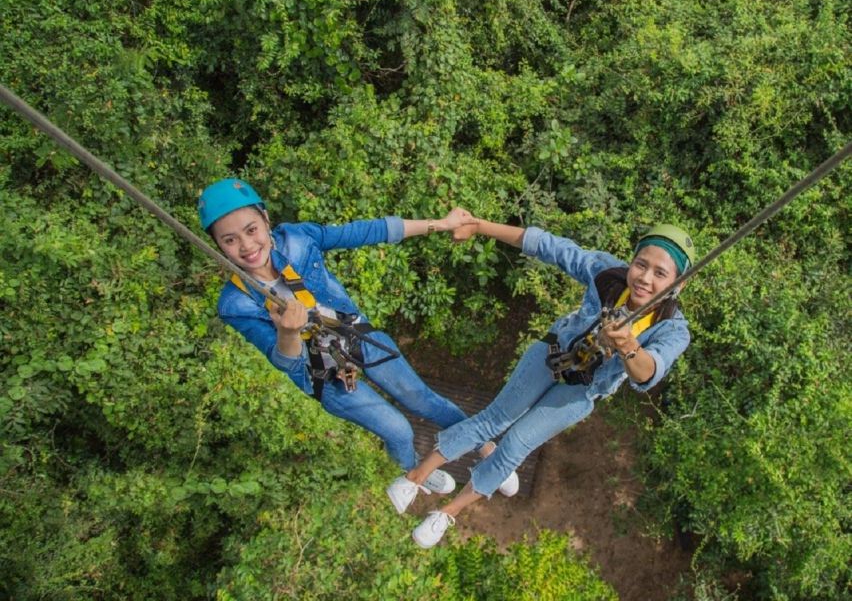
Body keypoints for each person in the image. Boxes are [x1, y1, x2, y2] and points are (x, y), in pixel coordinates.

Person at [386, 215, 695, 547]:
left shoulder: (672, 329)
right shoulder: (609, 275)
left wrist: (628, 345)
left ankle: (447, 513)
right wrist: (480, 227)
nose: (644, 279)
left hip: (582, 389)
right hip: (553, 354)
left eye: (660, 274)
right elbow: (551, 247)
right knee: (494, 419)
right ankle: (415, 478)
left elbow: (648, 373)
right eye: (641, 265)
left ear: (679, 284)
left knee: (516, 444)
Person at [197, 178, 517, 497]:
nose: (247, 247)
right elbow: (284, 360)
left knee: (422, 398)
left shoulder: (297, 239)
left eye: (251, 230)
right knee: (397, 430)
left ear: (266, 220)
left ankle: (488, 450)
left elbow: (366, 231)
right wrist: (287, 331)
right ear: (218, 246)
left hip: (354, 335)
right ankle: (416, 472)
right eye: (230, 240)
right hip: (322, 373)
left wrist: (442, 224)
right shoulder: (236, 303)